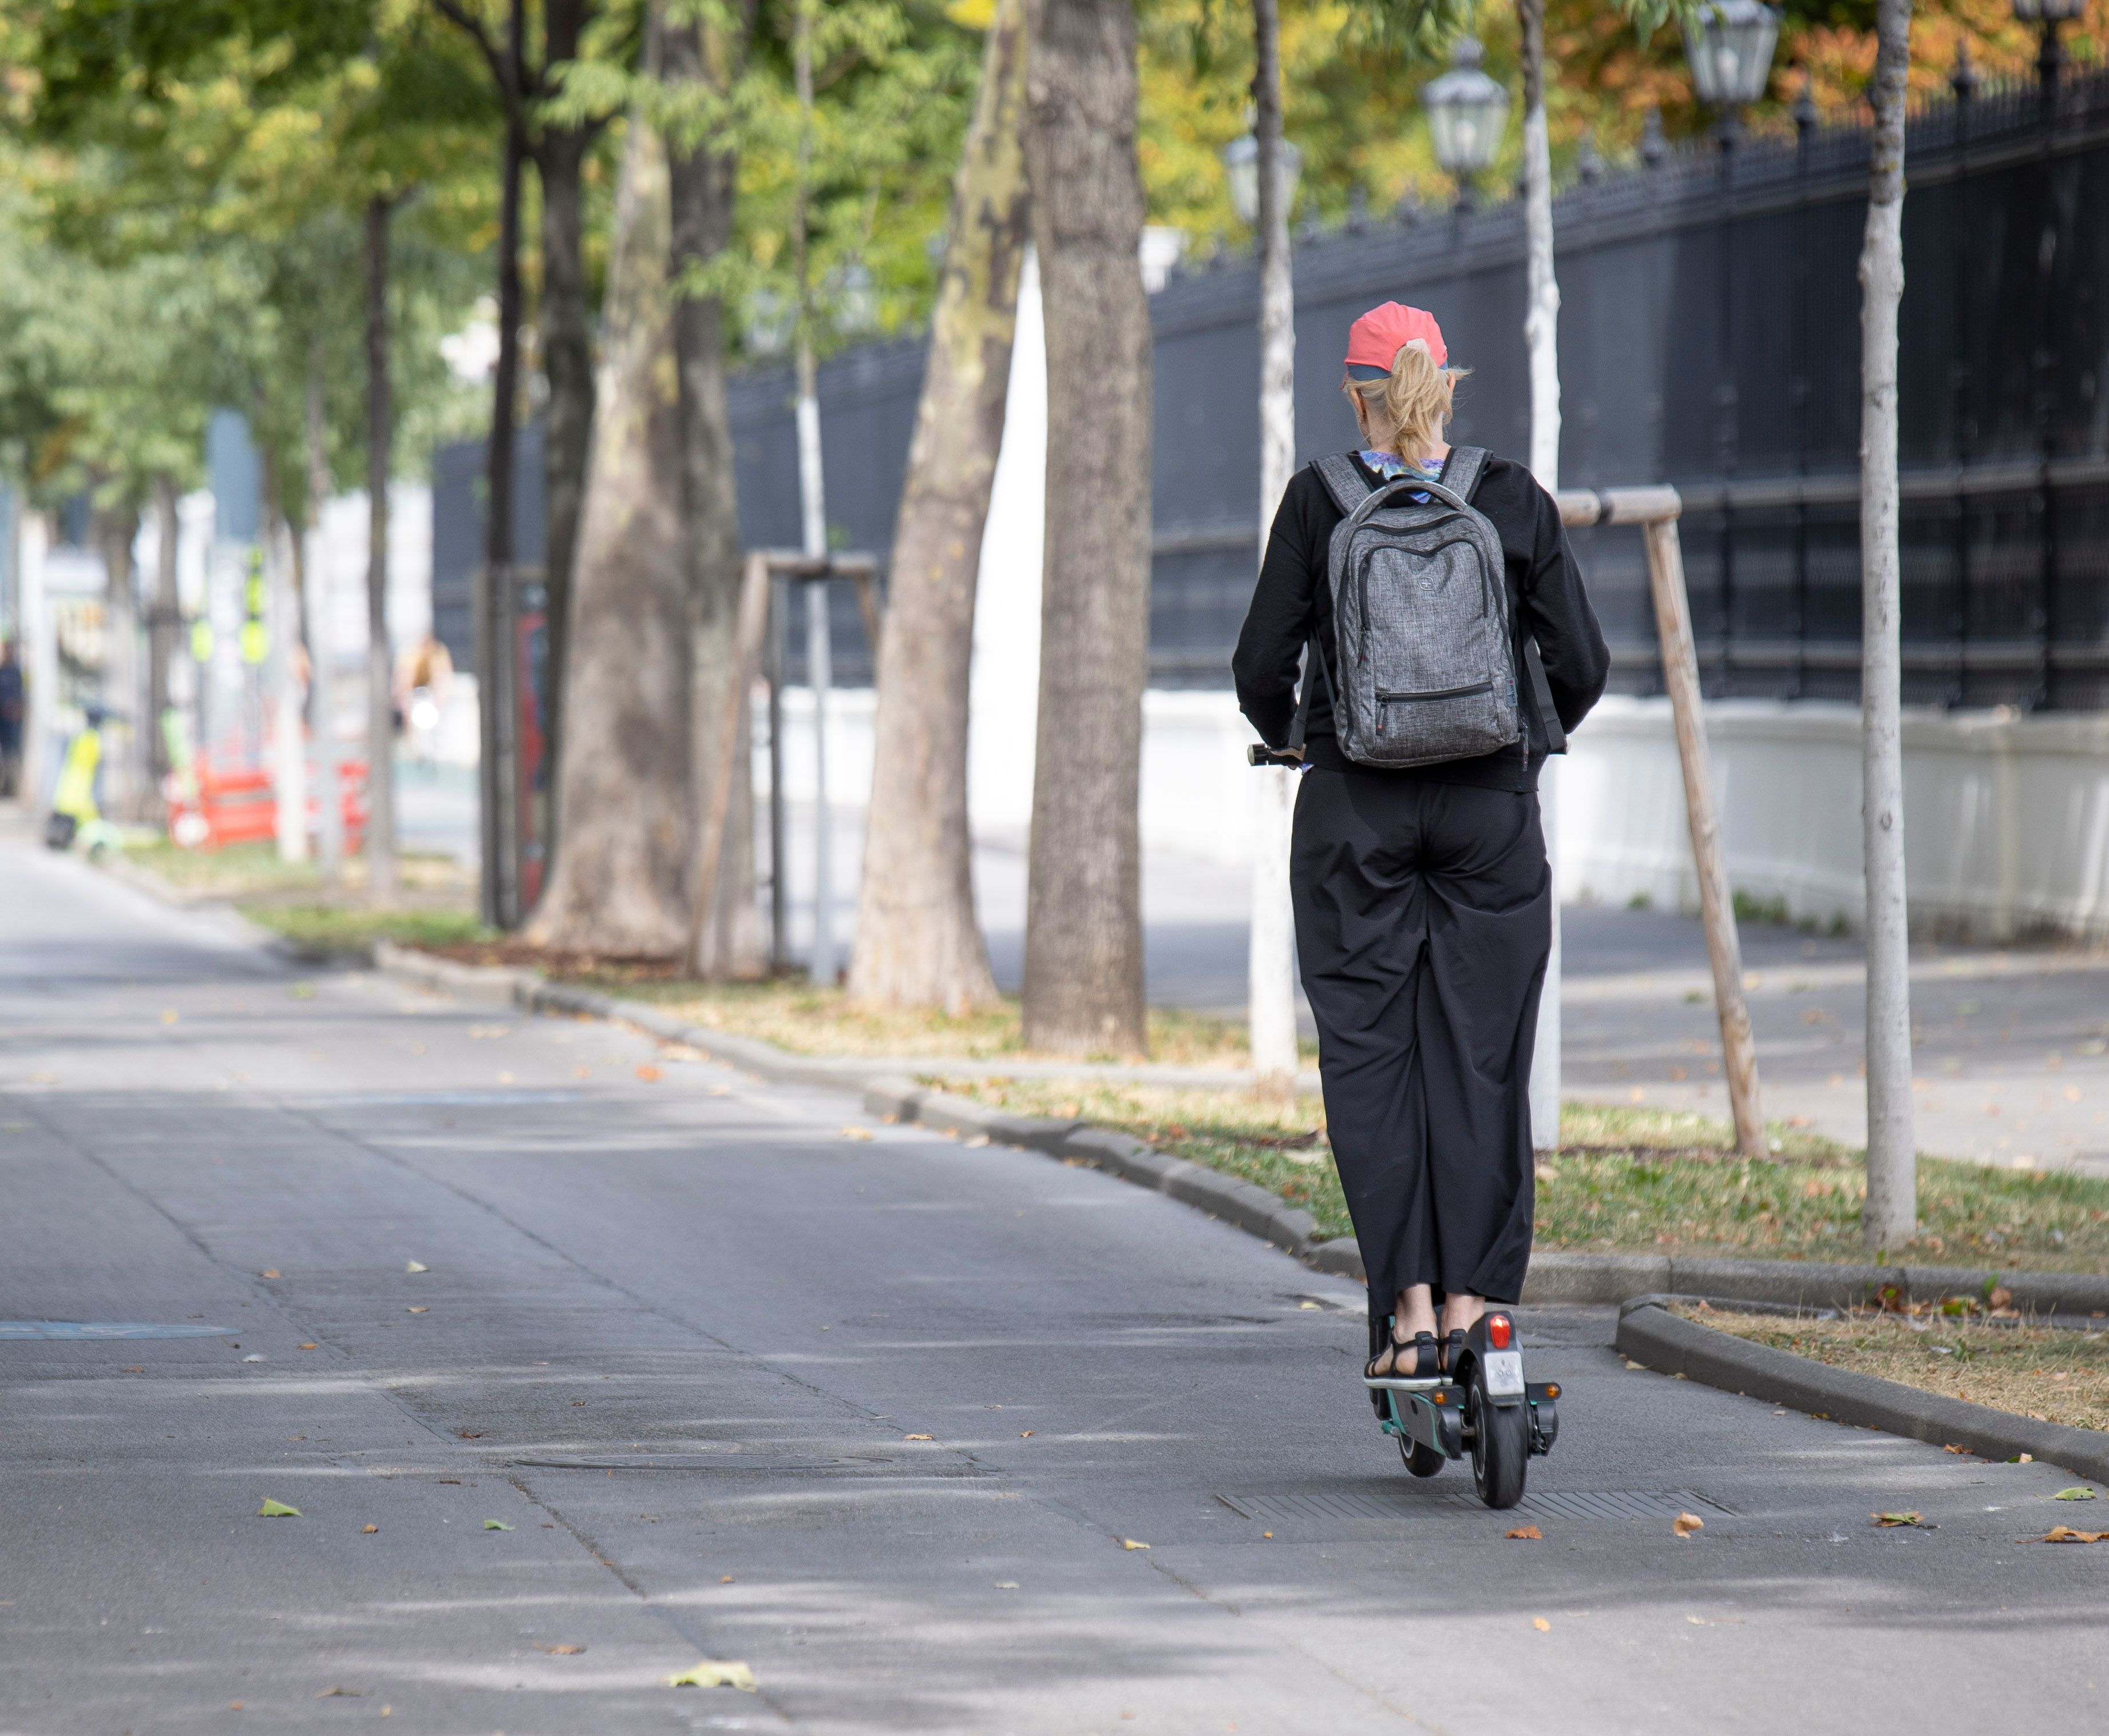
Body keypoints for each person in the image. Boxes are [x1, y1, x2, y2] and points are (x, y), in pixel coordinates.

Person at [1232, 302, 1609, 1383]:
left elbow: (1260, 665)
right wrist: (1517, 747)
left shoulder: (1317, 500)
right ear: (1447, 386)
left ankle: (1405, 1318)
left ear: (1354, 397)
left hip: (1353, 811)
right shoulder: (1508, 496)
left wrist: (1295, 735)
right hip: (1489, 812)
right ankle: (1472, 1310)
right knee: (1481, 1058)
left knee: (1370, 1060)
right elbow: (1579, 663)